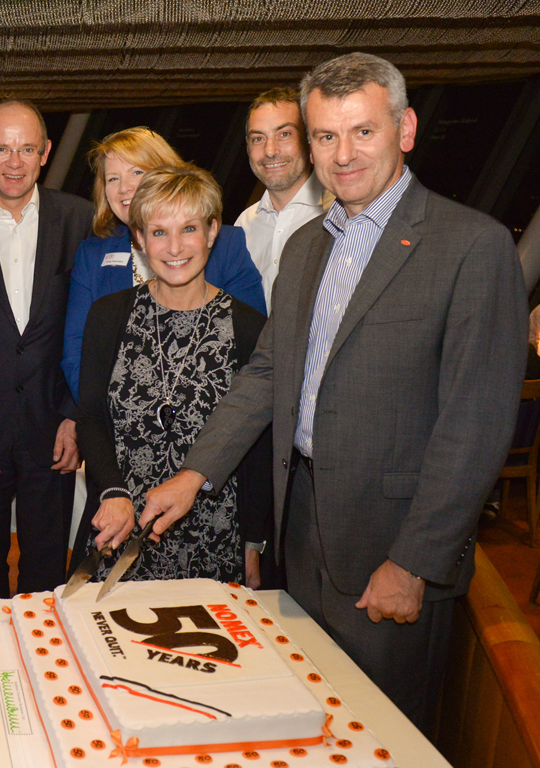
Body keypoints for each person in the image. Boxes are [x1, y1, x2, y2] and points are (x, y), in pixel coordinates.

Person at [135, 52, 527, 733]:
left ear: (405, 129)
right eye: (325, 135)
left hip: (387, 546)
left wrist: (413, 563)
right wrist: (195, 474)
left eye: (362, 132)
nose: (343, 155)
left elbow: (475, 427)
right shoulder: (308, 247)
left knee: (381, 737)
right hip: (301, 532)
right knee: (309, 727)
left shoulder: (473, 247)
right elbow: (268, 373)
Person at [78, 164, 271, 584]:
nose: (174, 247)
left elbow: (257, 446)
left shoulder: (249, 327)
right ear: (139, 238)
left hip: (216, 535)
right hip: (121, 525)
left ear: (212, 231)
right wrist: (111, 490)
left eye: (189, 229)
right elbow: (91, 415)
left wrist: (253, 543)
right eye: (159, 232)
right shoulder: (108, 316)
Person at [0, 99, 95, 603]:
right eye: (2, 148)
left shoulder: (80, 219)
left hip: (54, 428)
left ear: (45, 153)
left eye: (26, 149)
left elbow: (94, 327)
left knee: (48, 572)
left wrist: (75, 415)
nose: (13, 162)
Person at [61, 127, 266, 404]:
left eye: (137, 172)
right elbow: (77, 354)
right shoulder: (93, 254)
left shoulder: (224, 244)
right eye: (113, 178)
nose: (124, 188)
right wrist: (106, 416)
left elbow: (253, 353)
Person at [235, 88, 331, 308]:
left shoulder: (338, 216)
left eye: (284, 134)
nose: (270, 151)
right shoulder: (244, 226)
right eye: (258, 138)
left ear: (308, 140)